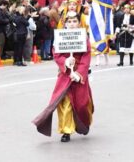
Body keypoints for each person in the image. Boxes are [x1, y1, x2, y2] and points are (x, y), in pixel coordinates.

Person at [32, 11, 93, 142]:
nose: (72, 24)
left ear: (79, 22)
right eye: (69, 22)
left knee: (82, 104)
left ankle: (83, 123)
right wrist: (65, 62)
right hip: (65, 74)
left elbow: (86, 56)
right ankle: (66, 131)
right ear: (65, 23)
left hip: (79, 75)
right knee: (64, 103)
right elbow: (56, 54)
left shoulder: (84, 37)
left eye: (74, 21)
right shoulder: (60, 37)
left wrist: (80, 72)